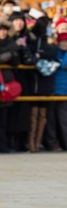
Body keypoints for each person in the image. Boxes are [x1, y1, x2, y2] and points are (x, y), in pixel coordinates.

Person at [45, 32, 67, 151]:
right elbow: (62, 65)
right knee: (51, 120)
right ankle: (52, 144)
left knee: (64, 119)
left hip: (64, 91)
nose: (65, 44)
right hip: (52, 90)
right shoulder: (55, 52)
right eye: (63, 41)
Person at [27, 16, 58, 152]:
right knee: (33, 115)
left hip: (46, 82)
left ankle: (37, 143)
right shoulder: (34, 39)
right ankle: (31, 143)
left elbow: (53, 54)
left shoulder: (50, 39)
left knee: (43, 116)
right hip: (34, 82)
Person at [7, 11, 35, 152]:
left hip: (25, 80)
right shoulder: (6, 39)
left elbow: (32, 60)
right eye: (16, 20)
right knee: (10, 112)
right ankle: (9, 142)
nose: (19, 23)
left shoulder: (29, 38)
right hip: (9, 80)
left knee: (23, 112)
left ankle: (21, 142)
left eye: (21, 20)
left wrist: (24, 47)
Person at [0, 20, 20, 153]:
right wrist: (8, 55)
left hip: (5, 85)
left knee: (4, 120)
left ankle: (3, 145)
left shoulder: (12, 44)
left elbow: (16, 62)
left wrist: (10, 55)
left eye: (5, 29)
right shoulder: (12, 47)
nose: (3, 32)